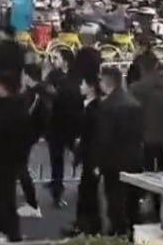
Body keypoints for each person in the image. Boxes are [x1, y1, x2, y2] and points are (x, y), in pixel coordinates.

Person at [95, 66, 143, 238]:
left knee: (114, 199)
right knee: (131, 199)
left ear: (106, 82)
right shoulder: (134, 103)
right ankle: (133, 230)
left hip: (113, 161)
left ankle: (118, 232)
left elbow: (104, 138)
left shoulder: (106, 106)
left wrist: (98, 163)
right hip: (133, 158)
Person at [130, 62, 163, 212]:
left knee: (145, 172)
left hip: (144, 139)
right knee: (160, 171)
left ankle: (144, 202)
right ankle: (159, 203)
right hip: (161, 139)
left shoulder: (137, 89)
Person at [0, 71, 31, 242]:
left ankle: (10, 232)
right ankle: (4, 229)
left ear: (3, 87)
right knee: (4, 194)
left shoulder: (7, 110)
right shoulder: (19, 106)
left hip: (5, 157)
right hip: (12, 157)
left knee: (5, 195)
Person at [44, 50, 82, 208]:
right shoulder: (54, 75)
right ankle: (56, 190)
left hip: (71, 124)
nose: (53, 61)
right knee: (56, 160)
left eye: (56, 58)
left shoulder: (75, 77)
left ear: (66, 61)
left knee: (79, 154)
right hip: (56, 124)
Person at [16, 63, 52, 219]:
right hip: (33, 135)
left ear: (27, 76)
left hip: (25, 135)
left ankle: (32, 204)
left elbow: (25, 115)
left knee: (21, 168)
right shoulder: (44, 91)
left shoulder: (33, 95)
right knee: (21, 167)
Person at [70, 74, 103, 237]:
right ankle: (83, 225)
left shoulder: (95, 109)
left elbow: (93, 137)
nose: (80, 86)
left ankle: (89, 227)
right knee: (85, 191)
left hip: (92, 158)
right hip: (87, 157)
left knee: (89, 193)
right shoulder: (86, 106)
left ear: (91, 87)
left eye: (83, 83)